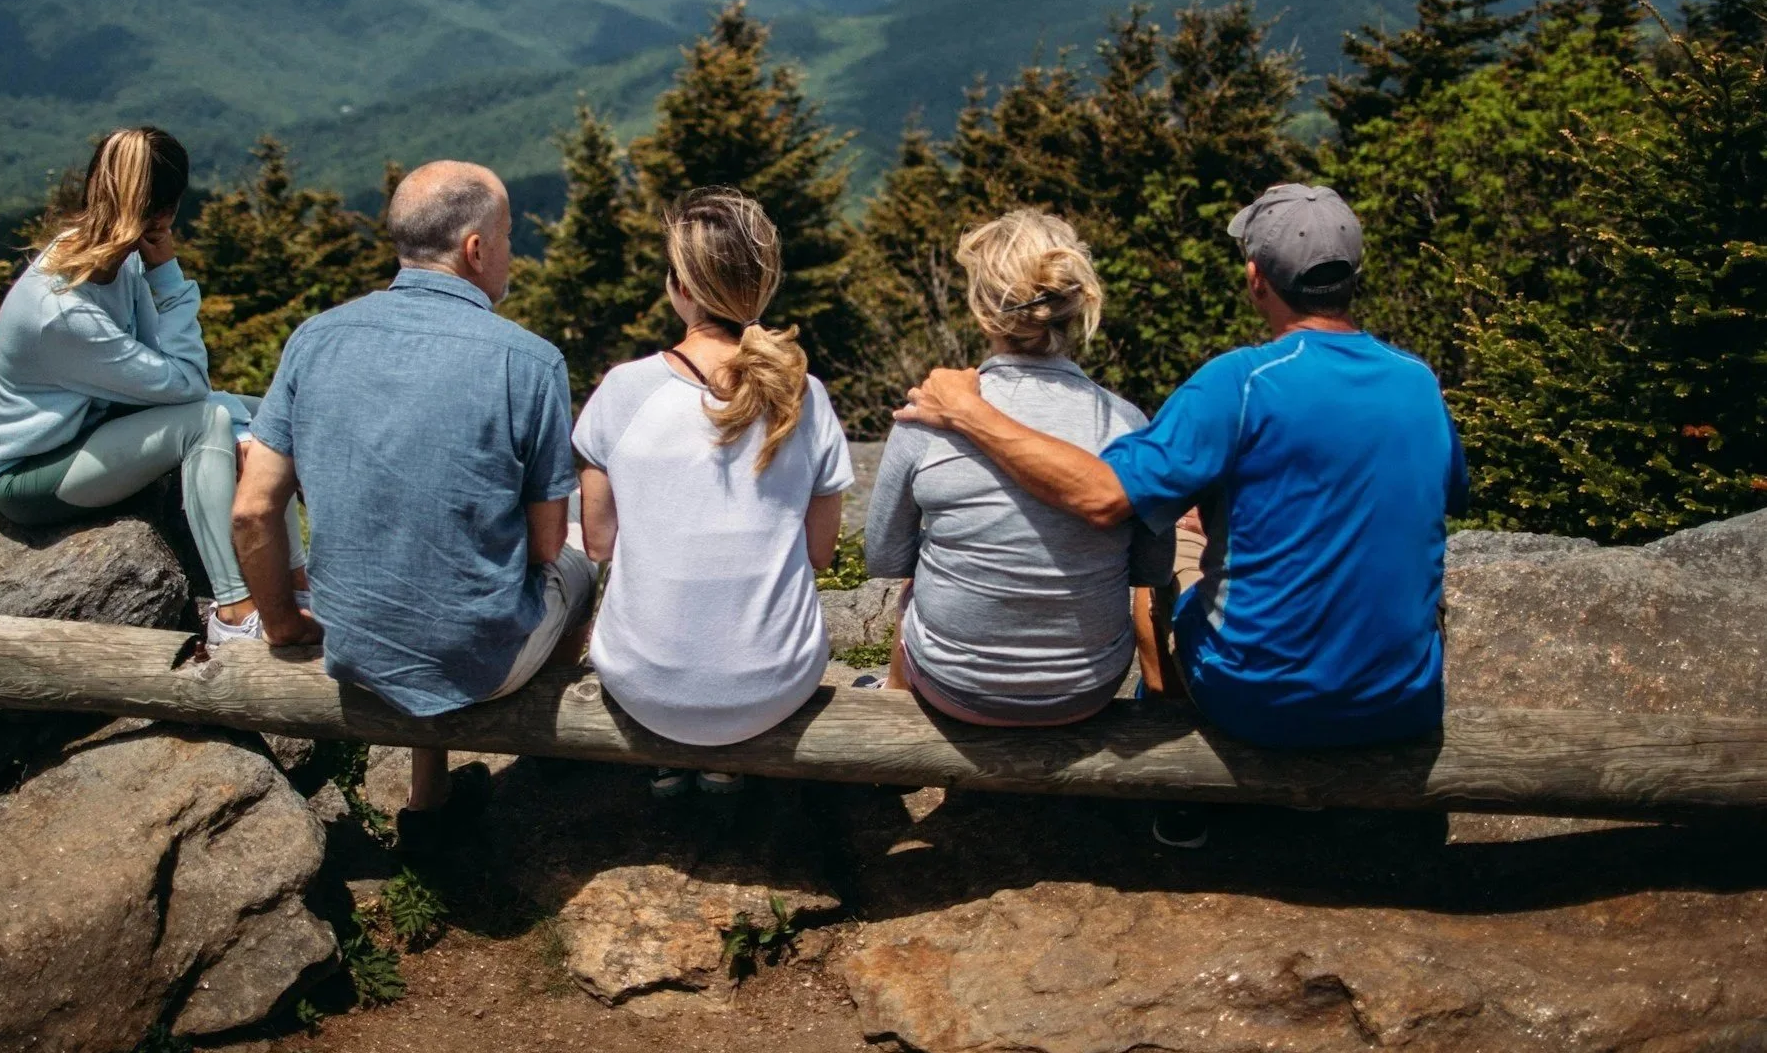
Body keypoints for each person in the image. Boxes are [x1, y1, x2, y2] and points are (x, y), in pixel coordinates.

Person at [897, 184, 1464, 839]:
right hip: (1400, 701)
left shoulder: (1239, 381)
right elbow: (1442, 495)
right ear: (1352, 275)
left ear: (1256, 278)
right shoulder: (1417, 380)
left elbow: (1104, 497)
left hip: (1259, 701)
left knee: (1164, 553)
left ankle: (1179, 782)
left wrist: (969, 412)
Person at [230, 160, 592, 844]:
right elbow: (546, 546)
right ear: (476, 249)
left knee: (415, 547)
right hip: (482, 664)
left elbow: (252, 509)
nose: (511, 252)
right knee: (580, 565)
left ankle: (429, 793)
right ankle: (552, 751)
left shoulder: (315, 338)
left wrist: (280, 623)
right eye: (508, 237)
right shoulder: (530, 361)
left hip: (353, 646)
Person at [0, 127, 306, 644]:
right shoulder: (63, 310)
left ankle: (297, 585)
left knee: (268, 415)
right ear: (165, 212)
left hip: (92, 431)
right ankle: (234, 613)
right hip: (31, 473)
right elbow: (188, 384)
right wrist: (168, 275)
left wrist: (246, 431)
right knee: (207, 423)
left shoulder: (113, 261)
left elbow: (170, 373)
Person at [573, 187, 854, 796]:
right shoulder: (805, 395)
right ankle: (726, 765)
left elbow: (598, 544)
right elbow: (819, 553)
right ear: (763, 287)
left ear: (679, 286)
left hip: (645, 686)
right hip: (776, 685)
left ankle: (670, 758)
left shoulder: (623, 391)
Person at [864, 209, 1169, 726]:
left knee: (915, 587)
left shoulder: (927, 416)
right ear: (1073, 306)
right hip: (1088, 688)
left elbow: (885, 556)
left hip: (955, 687)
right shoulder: (1128, 423)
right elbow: (1150, 568)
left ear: (983, 314)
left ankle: (892, 700)